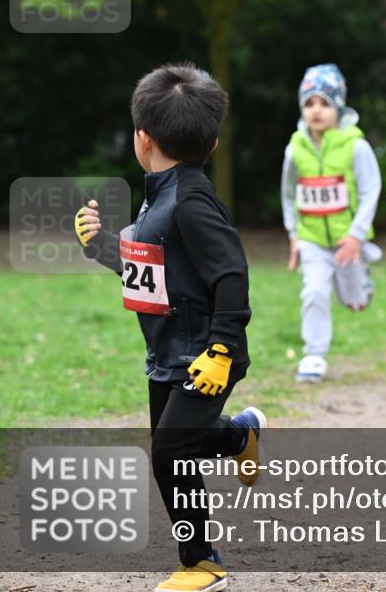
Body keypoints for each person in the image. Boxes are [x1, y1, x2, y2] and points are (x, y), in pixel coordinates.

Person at [74, 63, 265, 592]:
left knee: (168, 453)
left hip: (206, 356)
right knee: (179, 446)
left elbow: (231, 273)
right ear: (215, 139)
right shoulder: (160, 193)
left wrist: (222, 349)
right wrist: (101, 247)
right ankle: (240, 434)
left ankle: (201, 563)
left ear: (143, 138)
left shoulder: (191, 198)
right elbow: (152, 269)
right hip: (167, 350)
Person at [281, 64, 383, 383]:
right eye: (309, 103)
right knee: (314, 291)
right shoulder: (294, 149)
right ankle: (314, 355)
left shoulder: (356, 146)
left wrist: (355, 236)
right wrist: (294, 235)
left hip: (347, 241)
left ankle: (360, 275)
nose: (316, 111)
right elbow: (288, 194)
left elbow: (370, 191)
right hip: (311, 239)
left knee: (354, 300)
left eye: (324, 103)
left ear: (338, 106)